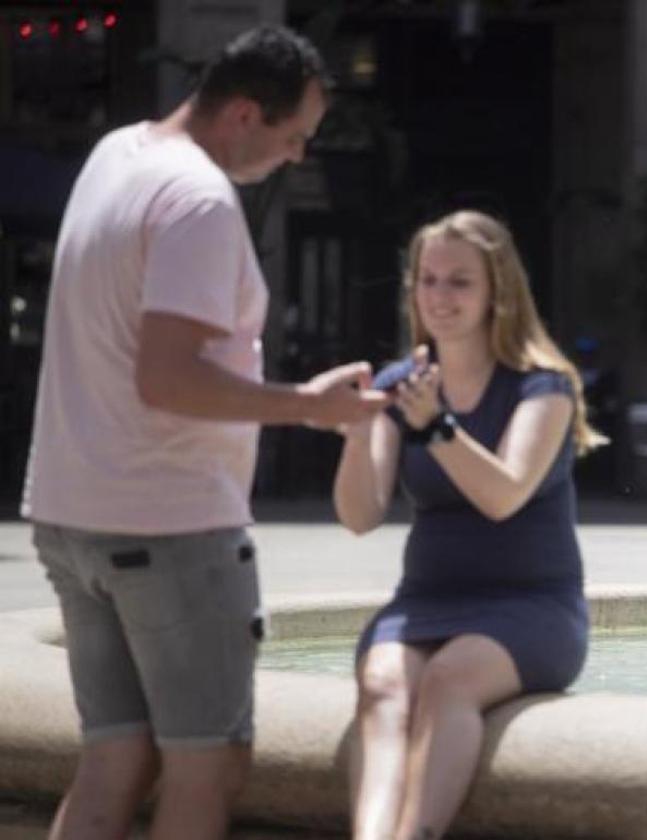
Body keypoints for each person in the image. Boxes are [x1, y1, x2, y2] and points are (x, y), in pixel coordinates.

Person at [21, 25, 389, 840]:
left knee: (114, 758)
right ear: (246, 114)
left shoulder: (118, 154)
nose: (297, 158)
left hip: (70, 509)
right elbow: (170, 378)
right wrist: (311, 406)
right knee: (207, 763)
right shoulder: (198, 201)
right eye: (295, 138)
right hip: (170, 522)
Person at [333, 210, 605, 840]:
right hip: (425, 601)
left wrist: (437, 427)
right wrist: (353, 431)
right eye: (428, 280)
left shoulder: (544, 386)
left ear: (496, 294)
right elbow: (360, 515)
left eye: (459, 282)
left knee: (449, 679)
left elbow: (503, 495)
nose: (439, 296)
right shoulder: (402, 386)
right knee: (380, 684)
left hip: (531, 607)